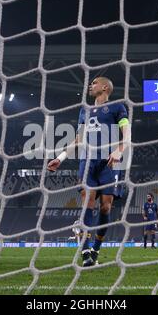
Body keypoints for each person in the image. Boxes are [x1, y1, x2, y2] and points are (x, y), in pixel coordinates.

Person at [47, 77, 131, 267]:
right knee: (88, 203)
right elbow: (78, 139)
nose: (90, 85)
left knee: (106, 208)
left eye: (94, 83)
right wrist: (59, 158)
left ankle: (96, 248)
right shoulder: (84, 111)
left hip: (108, 163)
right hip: (87, 162)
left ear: (104, 87)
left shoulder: (117, 107)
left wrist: (119, 150)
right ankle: (85, 251)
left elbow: (127, 132)